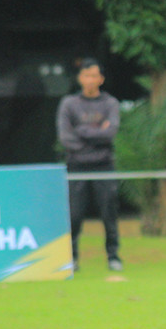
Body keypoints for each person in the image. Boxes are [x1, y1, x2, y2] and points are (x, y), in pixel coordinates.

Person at [56, 58, 123, 272]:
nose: (90, 80)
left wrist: (82, 131)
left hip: (104, 166)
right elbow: (66, 139)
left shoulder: (110, 103)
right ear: (80, 78)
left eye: (94, 75)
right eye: (86, 75)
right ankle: (72, 258)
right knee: (74, 215)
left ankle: (113, 256)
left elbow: (110, 133)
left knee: (109, 213)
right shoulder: (69, 104)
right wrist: (96, 134)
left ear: (101, 79)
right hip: (76, 167)